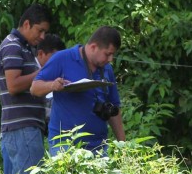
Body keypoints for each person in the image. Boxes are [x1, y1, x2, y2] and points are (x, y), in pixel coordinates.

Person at [31, 26, 125, 155]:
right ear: (93, 47)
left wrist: (123, 145)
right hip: (65, 145)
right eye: (107, 54)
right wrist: (52, 85)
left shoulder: (107, 69)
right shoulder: (63, 58)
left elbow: (115, 108)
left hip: (98, 146)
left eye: (113, 55)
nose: (110, 59)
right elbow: (34, 88)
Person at [0, 4, 53, 174]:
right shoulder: (13, 46)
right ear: (27, 24)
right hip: (23, 128)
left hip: (19, 128)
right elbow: (13, 85)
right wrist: (42, 74)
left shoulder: (24, 48)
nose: (42, 37)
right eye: (40, 30)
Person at [0, 32, 64, 174]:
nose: (57, 64)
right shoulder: (35, 71)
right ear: (41, 54)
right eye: (54, 58)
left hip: (10, 130)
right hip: (23, 129)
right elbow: (14, 86)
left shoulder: (30, 65)